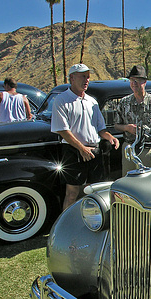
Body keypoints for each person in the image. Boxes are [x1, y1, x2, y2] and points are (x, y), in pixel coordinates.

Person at [51, 64, 119, 210]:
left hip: (94, 151)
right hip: (73, 150)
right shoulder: (61, 100)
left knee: (93, 191)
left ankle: (92, 222)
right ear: (72, 78)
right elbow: (63, 130)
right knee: (72, 192)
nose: (86, 80)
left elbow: (100, 129)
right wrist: (81, 148)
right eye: (82, 76)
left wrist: (110, 138)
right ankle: (66, 225)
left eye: (88, 77)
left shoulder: (92, 101)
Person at [113, 65, 151, 174]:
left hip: (147, 149)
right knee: (128, 182)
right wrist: (127, 128)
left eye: (137, 81)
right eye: (132, 81)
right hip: (129, 148)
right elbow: (116, 125)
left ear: (144, 82)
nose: (134, 84)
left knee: (148, 182)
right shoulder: (124, 102)